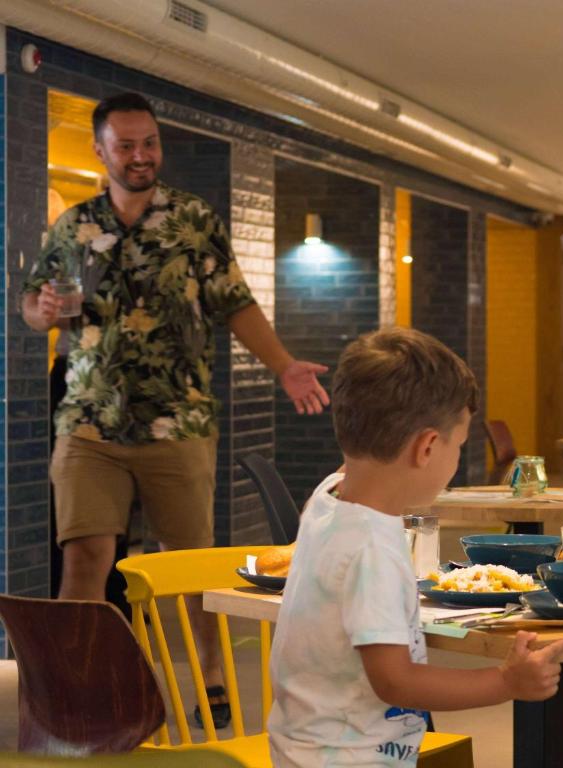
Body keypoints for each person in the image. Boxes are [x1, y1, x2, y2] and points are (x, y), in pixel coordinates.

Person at [20, 92, 330, 728]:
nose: (141, 156)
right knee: (83, 559)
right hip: (88, 422)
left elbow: (235, 302)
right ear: (100, 150)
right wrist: (40, 311)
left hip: (177, 421)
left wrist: (284, 365)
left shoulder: (193, 219)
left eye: (150, 143)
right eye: (126, 146)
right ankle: (73, 691)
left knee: (186, 561)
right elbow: (32, 304)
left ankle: (210, 680)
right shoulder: (72, 226)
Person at [268, 327, 563, 767]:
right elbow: (396, 682)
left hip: (302, 748)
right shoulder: (373, 550)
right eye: (458, 446)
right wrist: (506, 682)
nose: (455, 460)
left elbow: (366, 453)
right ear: (427, 446)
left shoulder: (328, 496)